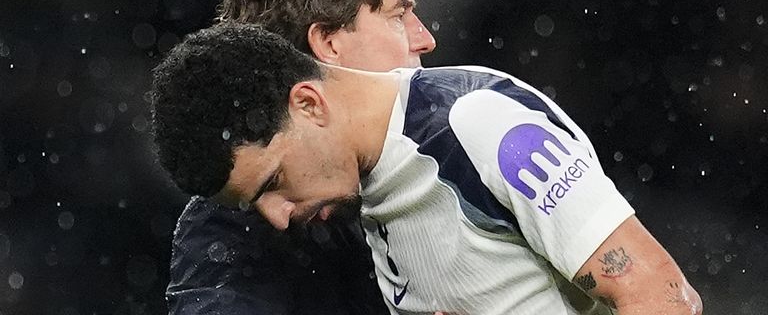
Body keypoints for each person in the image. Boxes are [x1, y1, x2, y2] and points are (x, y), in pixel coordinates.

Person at [152, 24, 703, 315]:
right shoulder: (363, 186)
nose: (277, 217)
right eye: (254, 204)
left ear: (309, 104)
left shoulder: (476, 124)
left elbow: (664, 297)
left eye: (272, 182)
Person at [165, 0, 435, 314]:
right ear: (328, 43)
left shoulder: (461, 143)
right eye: (398, 15)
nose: (425, 39)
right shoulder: (238, 230)